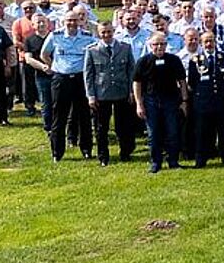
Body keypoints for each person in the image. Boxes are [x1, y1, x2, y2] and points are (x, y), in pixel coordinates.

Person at [41, 10, 95, 161]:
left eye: (75, 20)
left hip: (80, 79)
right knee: (59, 116)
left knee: (84, 115)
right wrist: (54, 66)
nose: (72, 23)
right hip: (61, 79)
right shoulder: (55, 36)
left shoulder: (88, 37)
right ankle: (57, 152)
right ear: (63, 21)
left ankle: (86, 149)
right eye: (69, 20)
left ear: (80, 21)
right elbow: (44, 54)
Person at [83, 19, 137, 166]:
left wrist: (131, 91)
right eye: (103, 32)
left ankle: (125, 152)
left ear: (113, 31)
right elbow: (88, 74)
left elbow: (131, 70)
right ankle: (103, 156)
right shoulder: (92, 50)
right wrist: (91, 95)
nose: (106, 35)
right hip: (102, 93)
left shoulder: (125, 48)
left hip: (121, 92)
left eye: (109, 32)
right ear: (98, 33)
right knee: (101, 128)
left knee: (123, 126)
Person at [133, 33, 187, 173]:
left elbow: (182, 81)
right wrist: (139, 103)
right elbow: (137, 83)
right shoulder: (143, 61)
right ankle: (155, 163)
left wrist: (184, 100)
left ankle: (173, 161)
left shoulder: (174, 60)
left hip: (171, 100)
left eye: (162, 44)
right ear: (150, 45)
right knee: (153, 134)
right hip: (151, 101)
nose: (159, 47)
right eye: (156, 44)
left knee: (172, 132)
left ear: (166, 45)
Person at [186, 33, 224, 167]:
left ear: (215, 42)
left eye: (211, 41)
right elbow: (192, 82)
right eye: (206, 41)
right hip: (203, 102)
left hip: (221, 101)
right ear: (201, 43)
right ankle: (201, 159)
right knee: (202, 132)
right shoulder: (195, 60)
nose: (209, 44)